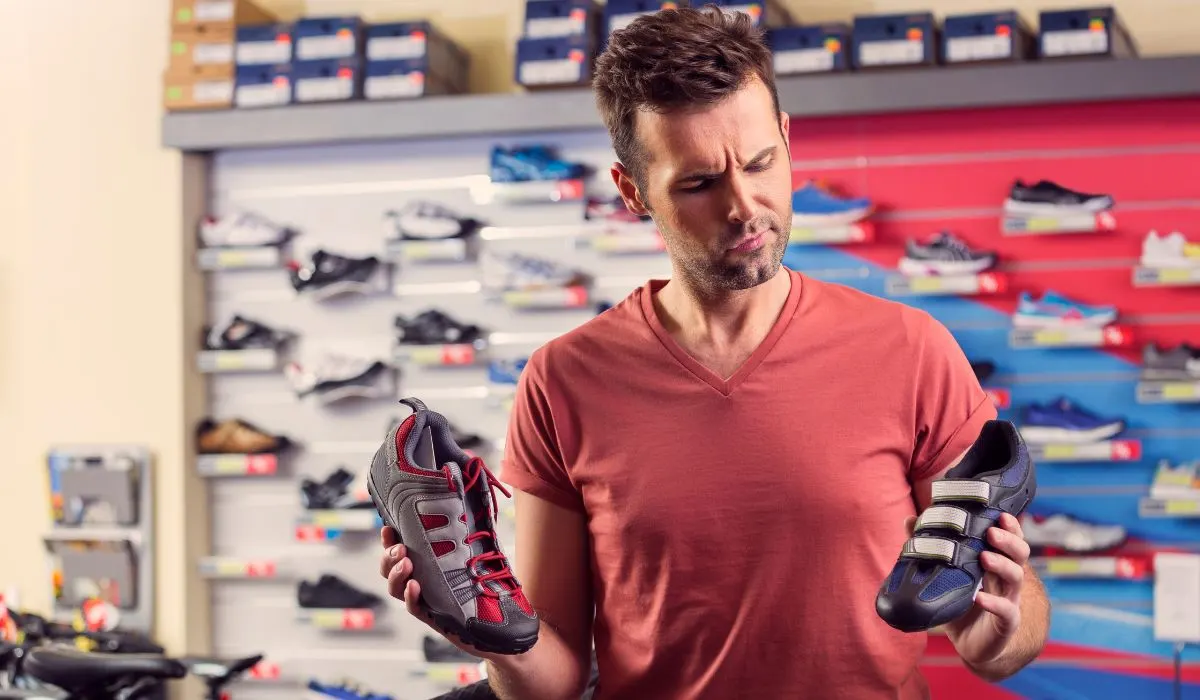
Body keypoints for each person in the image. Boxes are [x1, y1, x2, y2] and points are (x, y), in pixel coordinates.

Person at [379, 6, 1050, 699]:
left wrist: (997, 632)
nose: (744, 206)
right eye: (699, 183)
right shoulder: (563, 381)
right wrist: (482, 635)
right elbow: (553, 681)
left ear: (787, 139)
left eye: (761, 162)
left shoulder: (910, 350)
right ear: (632, 190)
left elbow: (1014, 616)